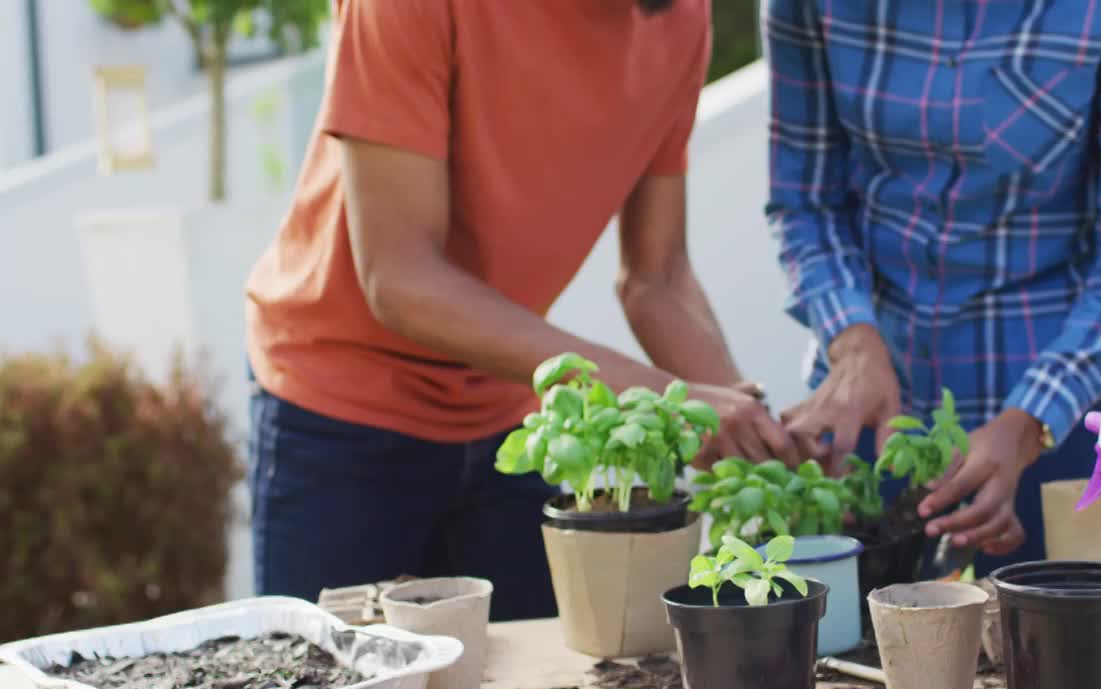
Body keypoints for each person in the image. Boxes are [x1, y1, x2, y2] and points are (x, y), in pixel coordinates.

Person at [244, 0, 798, 621]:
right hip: (338, 412)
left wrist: (753, 433)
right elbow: (400, 279)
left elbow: (657, 277)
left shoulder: (679, 17)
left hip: (512, 409)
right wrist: (669, 400)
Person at [766, 0, 1101, 575]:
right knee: (857, 659)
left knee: (1079, 652)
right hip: (879, 413)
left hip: (1070, 417)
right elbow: (805, 201)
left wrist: (1031, 421)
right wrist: (851, 344)